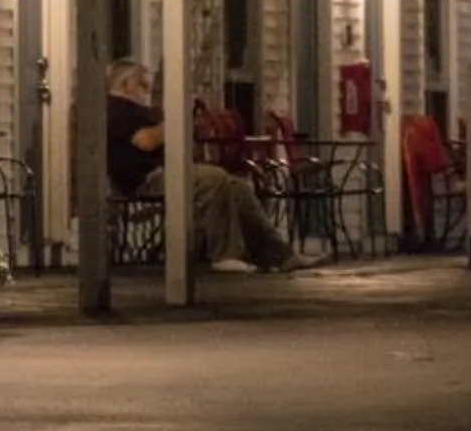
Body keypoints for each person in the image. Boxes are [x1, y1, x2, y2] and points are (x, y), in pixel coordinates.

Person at [105, 58, 315, 273]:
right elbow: (145, 141)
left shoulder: (140, 110)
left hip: (168, 172)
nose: (146, 90)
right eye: (142, 84)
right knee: (214, 178)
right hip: (145, 180)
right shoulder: (117, 109)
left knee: (238, 187)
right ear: (126, 84)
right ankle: (224, 254)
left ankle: (280, 256)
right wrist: (175, 122)